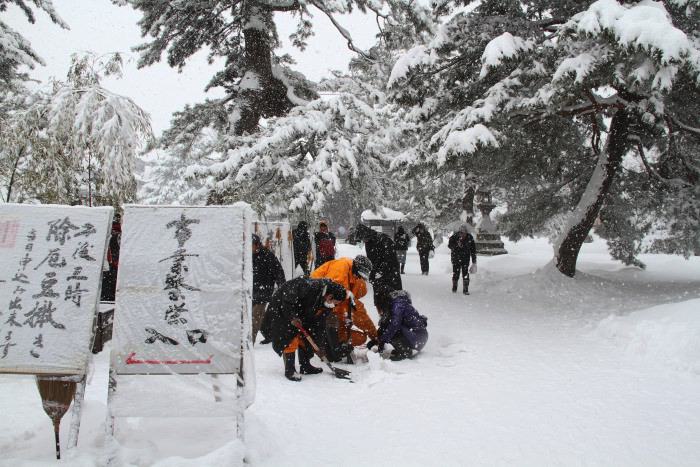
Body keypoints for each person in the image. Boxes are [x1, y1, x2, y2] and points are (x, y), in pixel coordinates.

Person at [268, 277, 347, 381]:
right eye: (335, 303)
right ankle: (290, 370)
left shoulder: (326, 303)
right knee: (290, 336)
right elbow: (287, 300)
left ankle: (305, 366)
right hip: (281, 308)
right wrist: (292, 317)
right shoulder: (309, 286)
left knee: (309, 334)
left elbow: (319, 325)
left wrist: (319, 346)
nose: (334, 305)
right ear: (330, 296)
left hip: (301, 311)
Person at [310, 255, 377, 361]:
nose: (359, 278)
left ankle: (333, 346)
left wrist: (374, 336)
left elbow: (360, 315)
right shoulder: (340, 271)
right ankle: (325, 344)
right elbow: (331, 300)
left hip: (333, 306)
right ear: (356, 267)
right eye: (359, 275)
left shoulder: (355, 282)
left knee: (359, 336)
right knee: (330, 326)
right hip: (318, 304)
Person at [367, 287, 428, 361]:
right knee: (387, 327)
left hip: (418, 338)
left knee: (392, 329)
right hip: (417, 337)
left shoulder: (398, 305)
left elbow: (394, 325)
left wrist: (382, 340)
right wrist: (377, 340)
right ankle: (403, 348)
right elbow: (384, 325)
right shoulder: (393, 303)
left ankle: (405, 351)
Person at [251, 234, 286, 343]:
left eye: (250, 245)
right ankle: (268, 333)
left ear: (257, 245)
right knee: (256, 317)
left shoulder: (267, 256)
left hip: (263, 291)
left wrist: (282, 289)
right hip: (250, 291)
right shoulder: (247, 256)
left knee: (255, 318)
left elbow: (279, 272)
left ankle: (248, 343)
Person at [354, 223, 402, 300]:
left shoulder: (384, 239)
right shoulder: (368, 242)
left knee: (394, 300)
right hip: (378, 278)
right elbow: (372, 260)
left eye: (363, 238)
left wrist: (380, 272)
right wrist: (371, 274)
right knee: (380, 302)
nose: (363, 241)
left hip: (390, 275)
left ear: (366, 234)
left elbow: (390, 259)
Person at [448, 224, 477, 295]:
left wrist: (474, 261)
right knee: (456, 273)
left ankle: (465, 289)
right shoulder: (454, 237)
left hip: (465, 259)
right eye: (461, 232)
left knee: (465, 273)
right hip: (456, 258)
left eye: (464, 233)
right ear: (459, 232)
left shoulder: (470, 237)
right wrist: (456, 245)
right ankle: (454, 286)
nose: (462, 234)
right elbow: (449, 245)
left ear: (466, 232)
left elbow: (473, 250)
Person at [100, 220, 121, 301]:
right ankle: (108, 297)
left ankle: (107, 297)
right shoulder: (115, 236)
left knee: (108, 281)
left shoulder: (112, 236)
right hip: (112, 263)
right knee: (109, 282)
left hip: (112, 263)